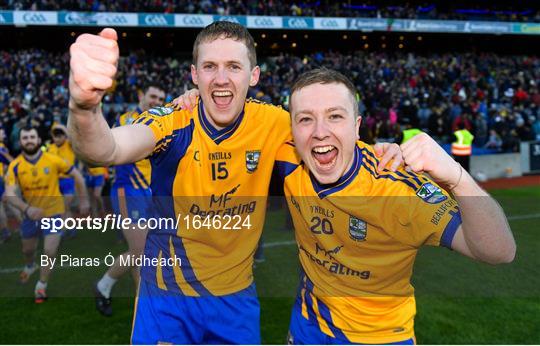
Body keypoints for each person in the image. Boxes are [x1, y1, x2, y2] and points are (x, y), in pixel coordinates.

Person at [68, 23, 401, 343]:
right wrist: (83, 107)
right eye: (210, 66)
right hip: (168, 301)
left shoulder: (273, 123)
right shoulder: (174, 121)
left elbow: (328, 138)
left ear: (253, 75)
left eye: (233, 66)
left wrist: (380, 153)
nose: (222, 79)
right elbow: (106, 149)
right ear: (195, 75)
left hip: (236, 303)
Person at [273, 68, 515, 344]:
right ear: (291, 127)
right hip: (308, 323)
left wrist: (457, 177)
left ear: (357, 126)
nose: (319, 132)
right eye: (305, 119)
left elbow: (500, 251)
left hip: (380, 336)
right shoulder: (287, 156)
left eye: (335, 116)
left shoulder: (398, 190)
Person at [93, 83, 165, 317]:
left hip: (148, 194)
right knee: (140, 250)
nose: (156, 100)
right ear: (141, 94)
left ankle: (142, 302)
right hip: (128, 192)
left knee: (142, 251)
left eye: (161, 98)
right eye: (152, 95)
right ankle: (104, 286)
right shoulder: (128, 120)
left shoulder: (159, 123)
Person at [4, 126, 89, 303]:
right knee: (28, 250)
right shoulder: (14, 166)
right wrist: (27, 209)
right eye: (25, 137)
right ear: (20, 142)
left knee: (49, 251)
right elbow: (9, 194)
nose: (29, 140)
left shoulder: (53, 160)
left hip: (53, 213)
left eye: (32, 137)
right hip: (30, 215)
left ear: (38, 140)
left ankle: (41, 286)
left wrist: (83, 200)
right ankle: (30, 265)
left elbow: (78, 177)